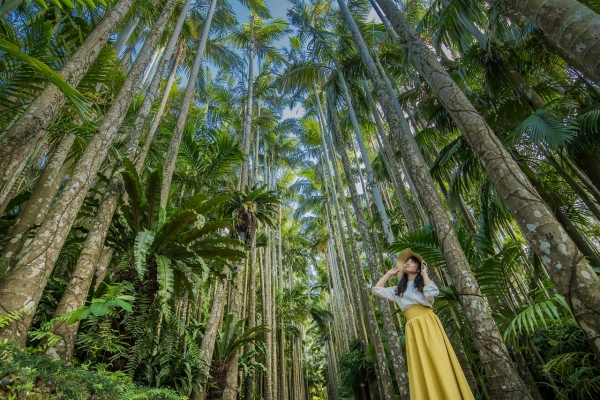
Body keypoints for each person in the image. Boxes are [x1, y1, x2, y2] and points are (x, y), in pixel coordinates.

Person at [372, 248, 474, 400]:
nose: (408, 263)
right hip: (412, 327)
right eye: (406, 261)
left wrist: (425, 273)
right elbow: (377, 290)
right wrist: (388, 274)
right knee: (420, 367)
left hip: (428, 323)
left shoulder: (423, 284)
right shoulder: (398, 289)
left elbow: (432, 293)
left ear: (419, 268)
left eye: (412, 262)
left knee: (439, 360)